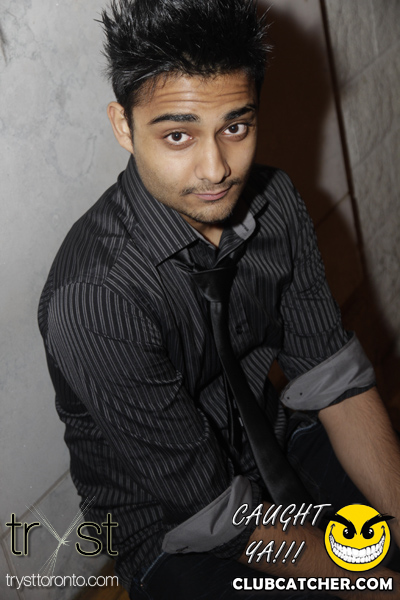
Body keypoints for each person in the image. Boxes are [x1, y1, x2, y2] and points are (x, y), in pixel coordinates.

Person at [38, 0, 400, 598]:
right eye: (178, 135)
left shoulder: (275, 202)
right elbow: (216, 515)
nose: (216, 169)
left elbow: (335, 380)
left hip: (283, 445)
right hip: (171, 530)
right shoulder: (93, 300)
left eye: (235, 128)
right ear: (124, 126)